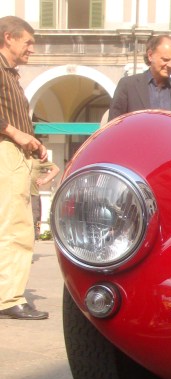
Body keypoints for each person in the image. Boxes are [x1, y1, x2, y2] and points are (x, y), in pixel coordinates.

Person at [0, 16, 49, 320]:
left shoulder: (11, 74)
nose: (32, 48)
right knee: (16, 226)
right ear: (9, 38)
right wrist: (16, 134)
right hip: (8, 152)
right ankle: (8, 298)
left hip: (16, 150)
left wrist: (31, 140)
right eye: (27, 42)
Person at [108, 35, 171, 121]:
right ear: (150, 55)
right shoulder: (127, 86)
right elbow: (114, 127)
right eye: (165, 59)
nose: (170, 65)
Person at [30, 159, 59, 239]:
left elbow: (56, 169)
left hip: (33, 195)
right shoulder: (19, 155)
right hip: (19, 195)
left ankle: (31, 245)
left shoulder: (38, 159)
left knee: (32, 222)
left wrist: (44, 180)